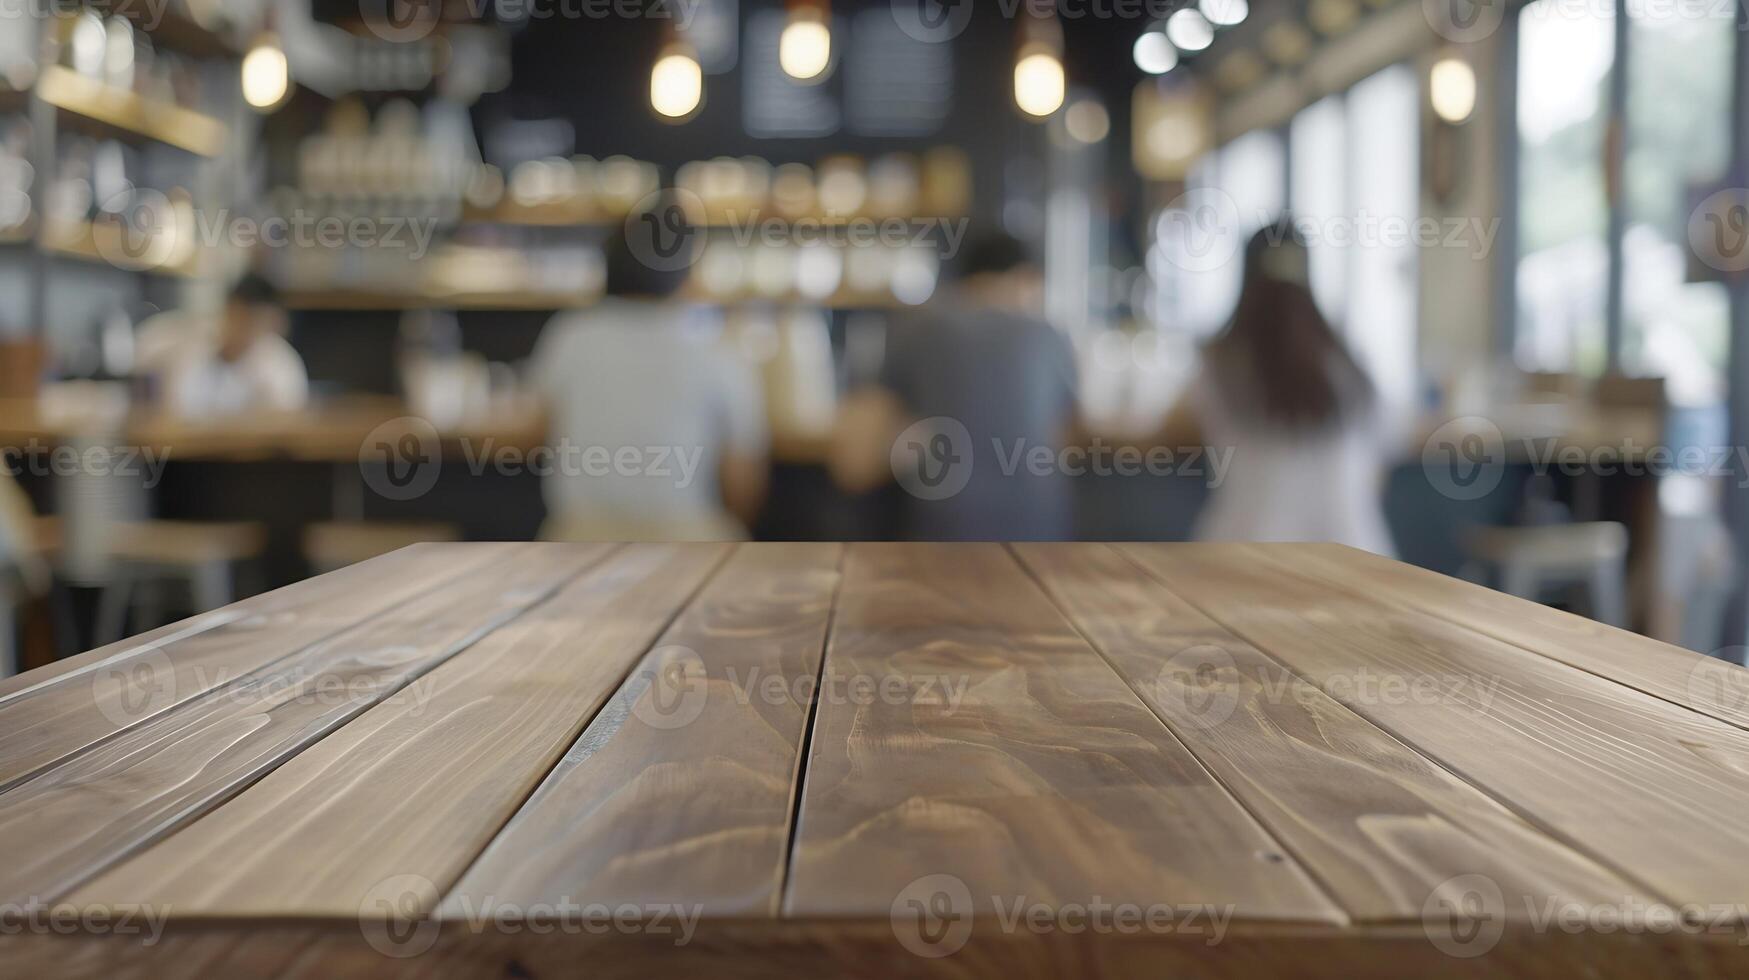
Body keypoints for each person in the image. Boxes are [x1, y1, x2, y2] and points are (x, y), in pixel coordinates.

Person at [529, 197, 768, 541]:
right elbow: (743, 480)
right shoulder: (718, 348)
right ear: (687, 270)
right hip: (686, 544)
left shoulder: (570, 334)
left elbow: (538, 431)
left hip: (577, 541)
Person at [1160, 220, 1396, 555]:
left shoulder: (1220, 364)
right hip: (1356, 556)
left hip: (1245, 557)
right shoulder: (1348, 364)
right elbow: (1379, 460)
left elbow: (1171, 424)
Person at [831, 233, 1079, 540]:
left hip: (943, 539)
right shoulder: (1051, 336)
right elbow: (1064, 436)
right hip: (1043, 540)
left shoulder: (918, 326)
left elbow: (854, 464)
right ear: (1026, 279)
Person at [155, 273, 309, 417]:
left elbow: (286, 421)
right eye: (243, 318)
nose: (250, 330)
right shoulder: (192, 349)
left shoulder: (281, 363)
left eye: (260, 322)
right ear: (228, 310)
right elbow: (173, 410)